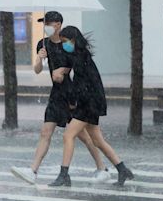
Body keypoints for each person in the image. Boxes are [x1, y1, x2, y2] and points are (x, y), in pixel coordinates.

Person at [11, 12, 110, 185]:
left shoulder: (68, 44)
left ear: (58, 24)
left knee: (84, 136)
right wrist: (39, 59)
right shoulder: (43, 44)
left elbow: (77, 64)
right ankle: (33, 170)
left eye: (49, 23)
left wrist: (62, 70)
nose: (46, 27)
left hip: (72, 94)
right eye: (45, 24)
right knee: (45, 132)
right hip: (56, 94)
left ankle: (102, 167)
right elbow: (36, 70)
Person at [49, 26, 134, 187]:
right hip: (92, 102)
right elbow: (74, 72)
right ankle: (122, 169)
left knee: (68, 136)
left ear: (73, 40)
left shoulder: (80, 58)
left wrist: (72, 100)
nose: (64, 45)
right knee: (97, 140)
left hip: (88, 103)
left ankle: (64, 175)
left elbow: (81, 84)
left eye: (65, 42)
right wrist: (61, 69)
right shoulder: (80, 55)